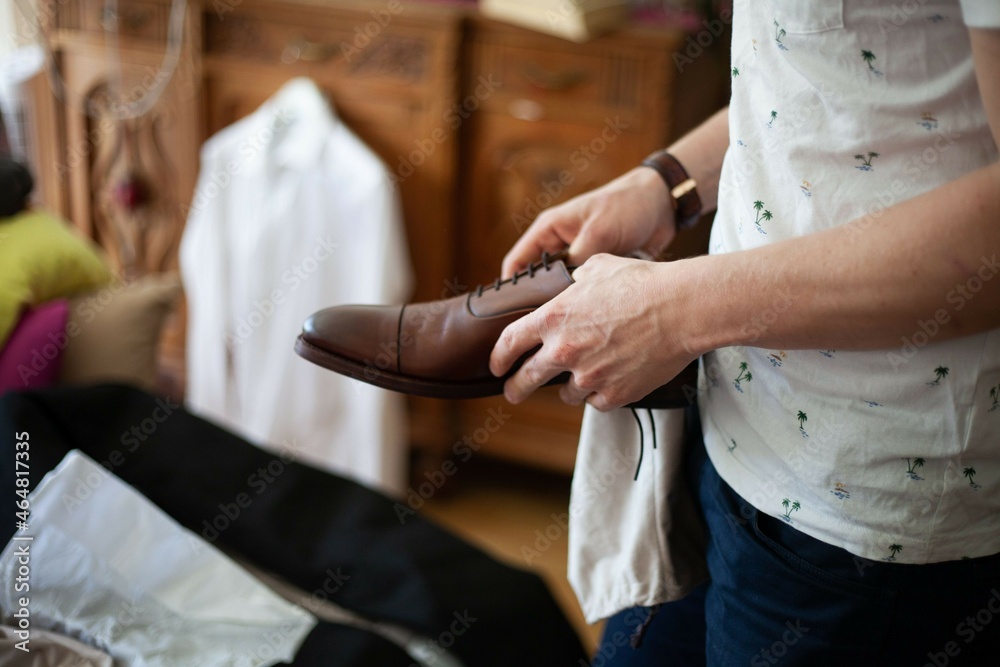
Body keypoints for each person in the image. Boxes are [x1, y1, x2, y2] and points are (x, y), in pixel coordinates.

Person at [490, 1, 1000, 664]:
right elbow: (832, 76)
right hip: (733, 420)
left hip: (859, 520)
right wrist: (668, 183)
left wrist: (674, 312)